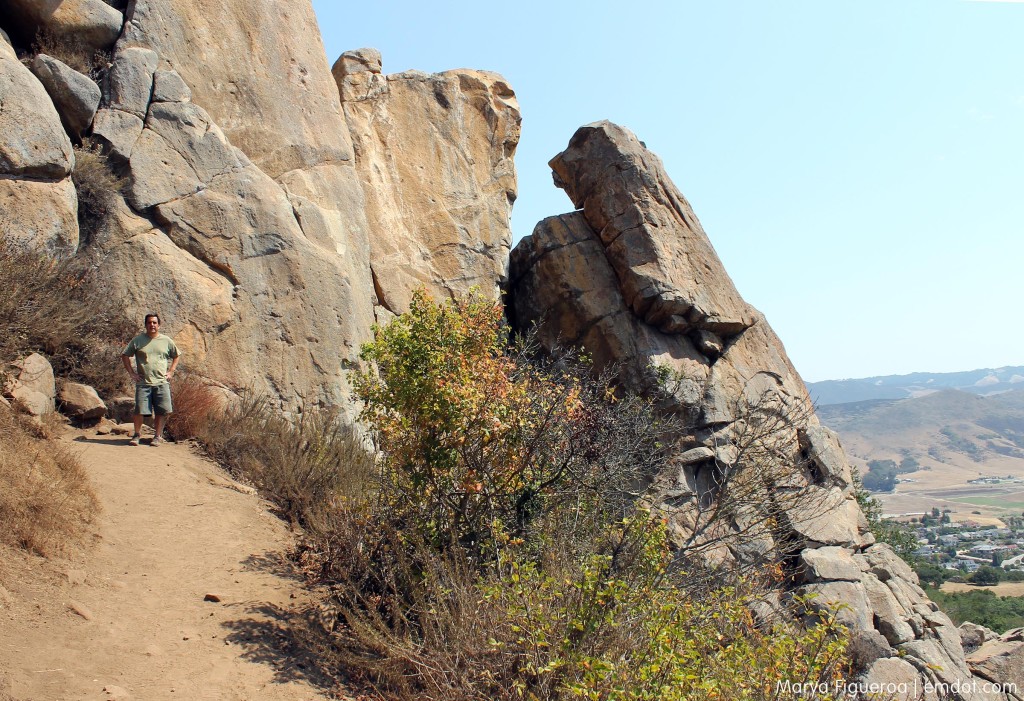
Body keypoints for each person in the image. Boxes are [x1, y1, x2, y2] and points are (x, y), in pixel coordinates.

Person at [120, 313, 180, 446]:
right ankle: (136, 435)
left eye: (154, 323)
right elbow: (125, 355)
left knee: (162, 411)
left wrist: (171, 371)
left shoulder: (166, 341)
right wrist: (132, 373)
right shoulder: (138, 340)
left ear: (159, 325)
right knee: (139, 410)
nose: (152, 325)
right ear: (145, 325)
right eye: (149, 323)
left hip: (161, 382)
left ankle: (157, 436)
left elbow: (176, 355)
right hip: (143, 382)